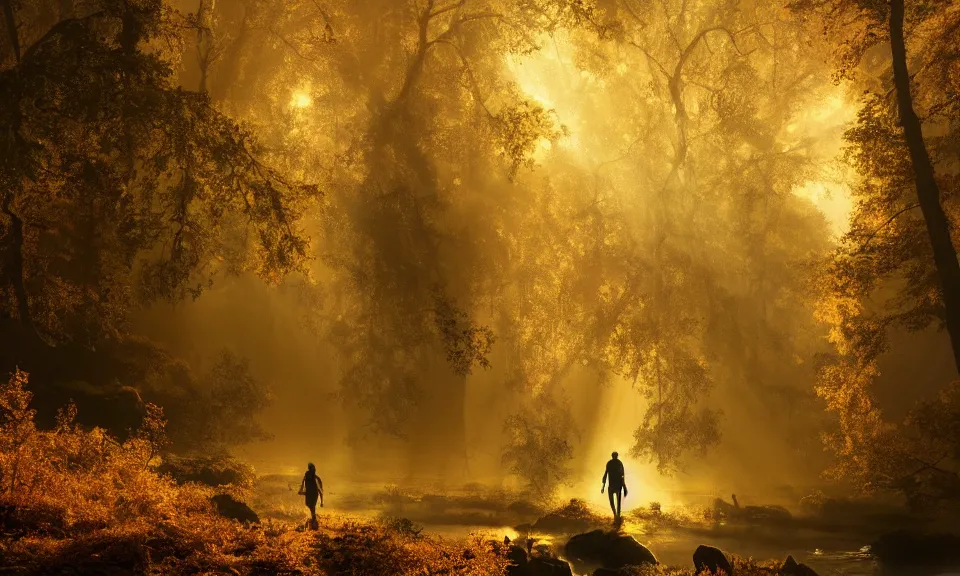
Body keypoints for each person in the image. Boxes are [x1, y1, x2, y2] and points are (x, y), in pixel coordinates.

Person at [601, 451, 628, 520]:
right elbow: (605, 474)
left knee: (617, 502)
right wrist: (603, 487)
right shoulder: (613, 463)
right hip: (614, 486)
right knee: (612, 501)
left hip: (617, 486)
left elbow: (622, 475)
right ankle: (615, 515)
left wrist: (624, 487)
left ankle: (617, 515)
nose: (615, 457)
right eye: (614, 456)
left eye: (615, 456)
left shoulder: (617, 463)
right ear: (613, 456)